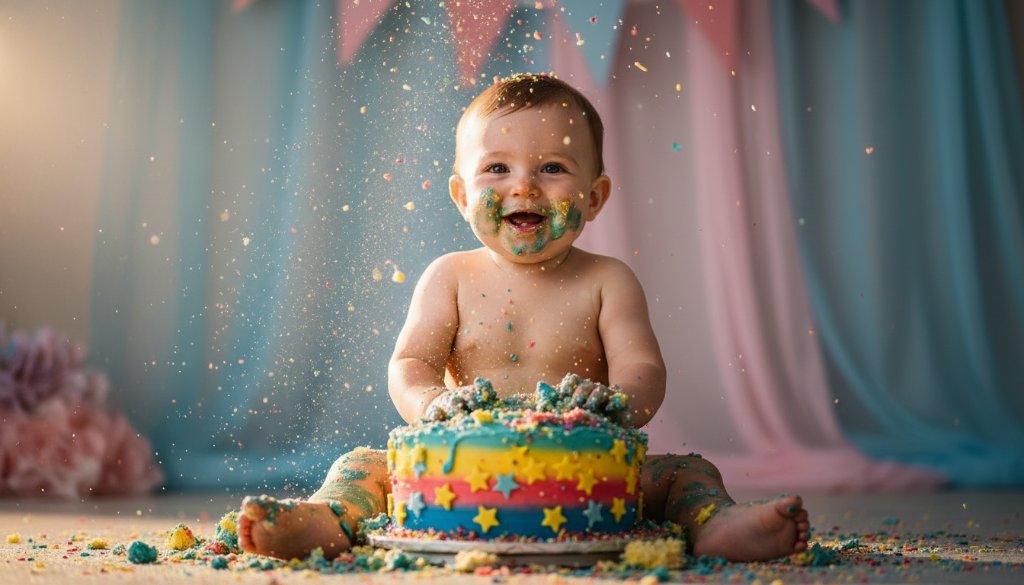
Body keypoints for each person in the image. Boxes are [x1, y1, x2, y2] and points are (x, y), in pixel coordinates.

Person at [238, 73, 810, 562]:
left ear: (595, 196)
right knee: (363, 465)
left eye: (554, 167)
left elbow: (643, 369)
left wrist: (615, 406)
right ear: (462, 196)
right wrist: (430, 406)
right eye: (497, 169)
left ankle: (717, 526)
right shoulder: (450, 276)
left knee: (687, 472)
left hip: (583, 466)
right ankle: (320, 521)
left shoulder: (607, 279)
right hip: (461, 467)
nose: (524, 186)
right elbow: (410, 363)